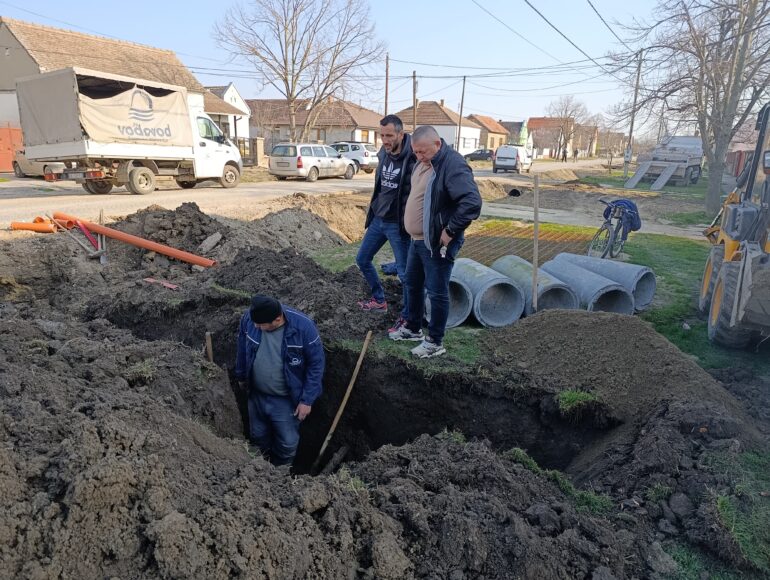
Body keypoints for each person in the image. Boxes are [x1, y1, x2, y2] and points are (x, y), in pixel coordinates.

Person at [389, 125, 481, 358]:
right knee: (412, 282)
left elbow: (471, 203)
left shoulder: (453, 165)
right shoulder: (426, 162)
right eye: (416, 152)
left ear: (437, 144)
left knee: (437, 291)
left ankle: (435, 342)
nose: (418, 156)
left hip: (437, 242)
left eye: (422, 152)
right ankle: (413, 327)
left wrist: (450, 231)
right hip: (418, 239)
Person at [235, 294, 325, 466]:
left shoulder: (304, 328)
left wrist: (307, 400)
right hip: (257, 396)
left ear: (277, 319)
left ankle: (280, 475)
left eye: (261, 325)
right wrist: (240, 375)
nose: (255, 326)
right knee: (258, 436)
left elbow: (316, 365)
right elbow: (241, 346)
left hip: (287, 400)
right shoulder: (250, 318)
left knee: (287, 442)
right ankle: (258, 468)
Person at [356, 114, 416, 333]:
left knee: (405, 272)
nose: (385, 140)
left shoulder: (413, 156)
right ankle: (379, 299)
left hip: (398, 225)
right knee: (362, 259)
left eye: (389, 135)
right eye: (382, 135)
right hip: (379, 219)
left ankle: (409, 317)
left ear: (401, 133)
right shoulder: (383, 153)